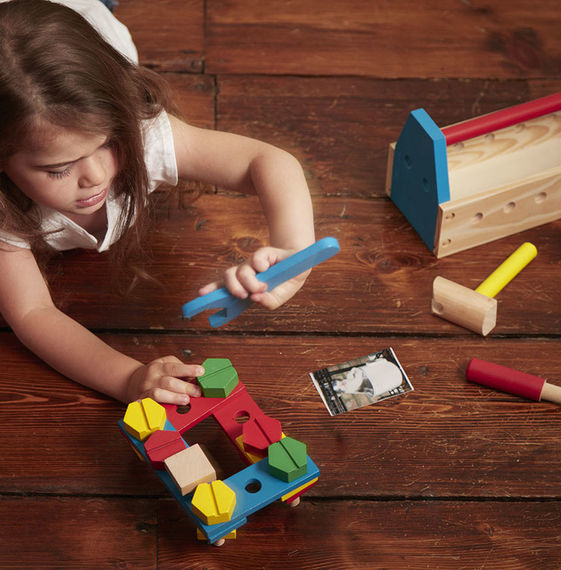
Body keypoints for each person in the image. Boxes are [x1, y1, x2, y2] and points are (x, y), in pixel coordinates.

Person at [0, 0, 315, 405]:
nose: (96, 175)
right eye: (59, 168)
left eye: (109, 143)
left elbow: (267, 160)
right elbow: (32, 314)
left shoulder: (138, 126)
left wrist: (294, 249)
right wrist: (129, 378)